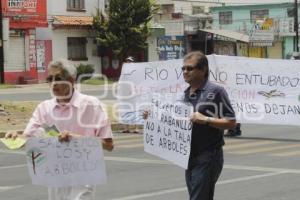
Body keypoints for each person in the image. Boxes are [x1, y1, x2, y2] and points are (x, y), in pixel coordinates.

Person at [5, 59, 114, 200]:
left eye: (59, 78)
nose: (54, 83)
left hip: (83, 177)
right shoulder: (44, 108)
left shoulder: (92, 105)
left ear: (71, 80)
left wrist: (76, 139)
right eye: (50, 79)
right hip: (55, 177)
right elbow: (28, 137)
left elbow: (109, 145)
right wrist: (16, 136)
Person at [182, 51, 236, 200]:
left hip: (208, 156)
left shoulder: (216, 91)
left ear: (203, 70)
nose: (185, 72)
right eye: (183, 69)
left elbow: (231, 122)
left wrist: (206, 119)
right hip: (188, 156)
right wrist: (153, 117)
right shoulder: (185, 94)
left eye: (190, 68)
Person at [121, 56, 140, 134]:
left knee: (135, 110)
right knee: (125, 109)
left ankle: (136, 128)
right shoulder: (124, 71)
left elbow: (138, 82)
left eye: (130, 61)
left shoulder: (136, 72)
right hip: (125, 94)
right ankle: (126, 128)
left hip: (134, 94)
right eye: (127, 61)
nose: (128, 63)